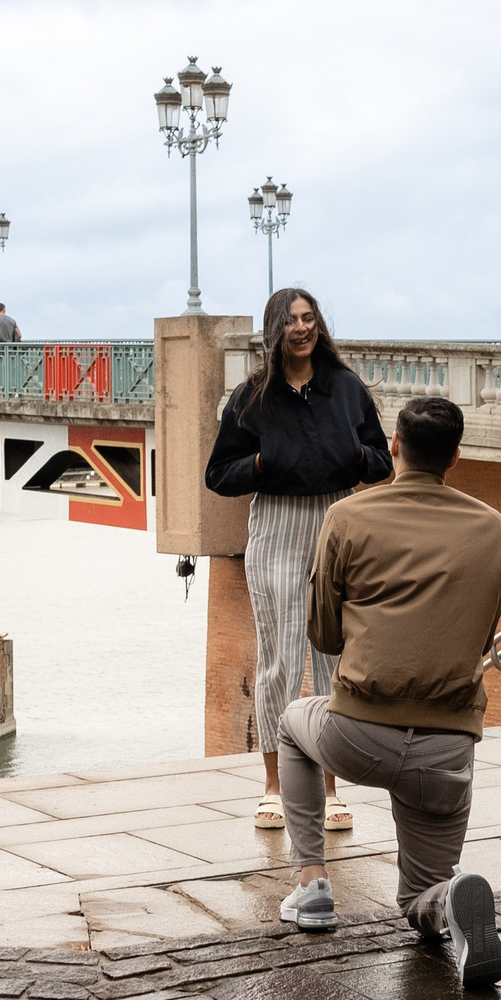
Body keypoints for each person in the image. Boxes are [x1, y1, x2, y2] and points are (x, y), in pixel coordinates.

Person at [274, 395, 501, 989]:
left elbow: (324, 636)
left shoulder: (349, 517)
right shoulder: (493, 529)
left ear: (394, 448)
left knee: (290, 722)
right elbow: (480, 635)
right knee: (417, 899)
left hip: (359, 734)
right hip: (448, 746)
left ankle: (311, 889)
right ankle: (450, 899)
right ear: (456, 456)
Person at [207, 287, 392, 833]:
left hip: (336, 522)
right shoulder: (252, 398)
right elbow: (219, 474)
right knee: (280, 662)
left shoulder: (345, 388)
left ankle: (331, 787)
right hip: (278, 527)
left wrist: (354, 456)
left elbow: (381, 460)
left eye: (310, 318)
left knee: (333, 660)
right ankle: (275, 785)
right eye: (291, 320)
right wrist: (263, 462)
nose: (302, 327)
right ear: (275, 330)